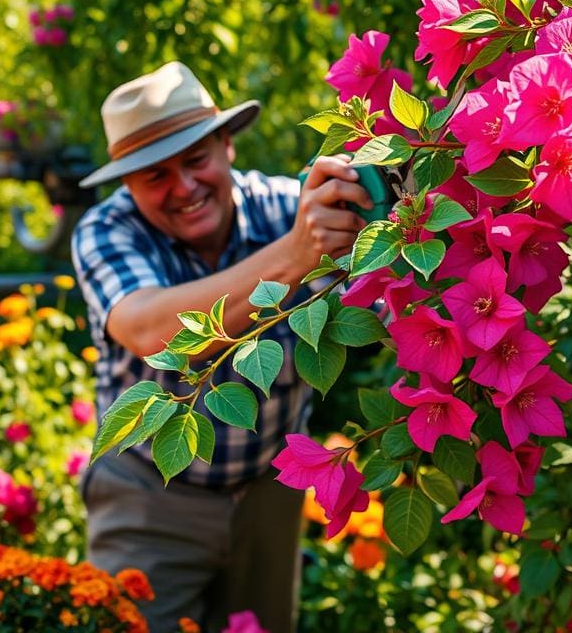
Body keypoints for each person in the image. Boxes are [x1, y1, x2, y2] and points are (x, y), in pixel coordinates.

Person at [71, 62, 370, 633]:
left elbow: (388, 293)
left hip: (268, 497)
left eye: (195, 160)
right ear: (126, 185)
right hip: (148, 503)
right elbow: (149, 330)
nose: (183, 187)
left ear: (227, 145)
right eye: (155, 176)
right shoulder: (107, 232)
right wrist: (296, 256)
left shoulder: (290, 210)